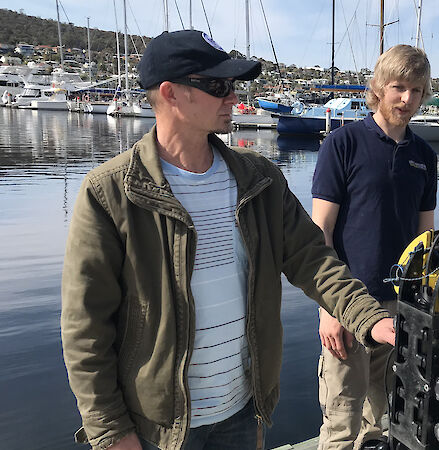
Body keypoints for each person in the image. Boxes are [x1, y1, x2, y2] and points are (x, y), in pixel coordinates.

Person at [60, 30, 395, 450]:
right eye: (217, 85)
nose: (232, 96)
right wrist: (110, 432)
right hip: (157, 430)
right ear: (171, 93)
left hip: (241, 412)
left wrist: (369, 317)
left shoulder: (260, 180)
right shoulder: (110, 193)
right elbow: (85, 329)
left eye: (233, 85)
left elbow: (314, 259)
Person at [311, 44, 437, 450]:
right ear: (378, 88)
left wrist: (423, 305)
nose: (407, 99)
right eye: (399, 87)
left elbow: (425, 240)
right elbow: (320, 233)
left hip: (400, 306)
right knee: (341, 421)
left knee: (382, 418)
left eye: (416, 90)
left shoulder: (424, 156)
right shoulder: (342, 144)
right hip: (348, 302)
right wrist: (328, 308)